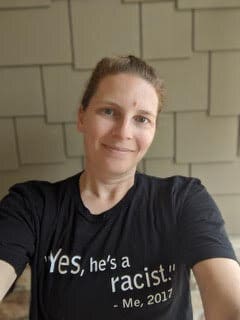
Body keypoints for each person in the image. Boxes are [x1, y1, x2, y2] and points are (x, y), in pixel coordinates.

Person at [0, 55, 240, 320]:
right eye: (109, 111)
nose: (123, 131)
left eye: (142, 119)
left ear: (153, 130)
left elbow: (230, 303)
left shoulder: (182, 201)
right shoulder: (32, 206)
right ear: (82, 117)